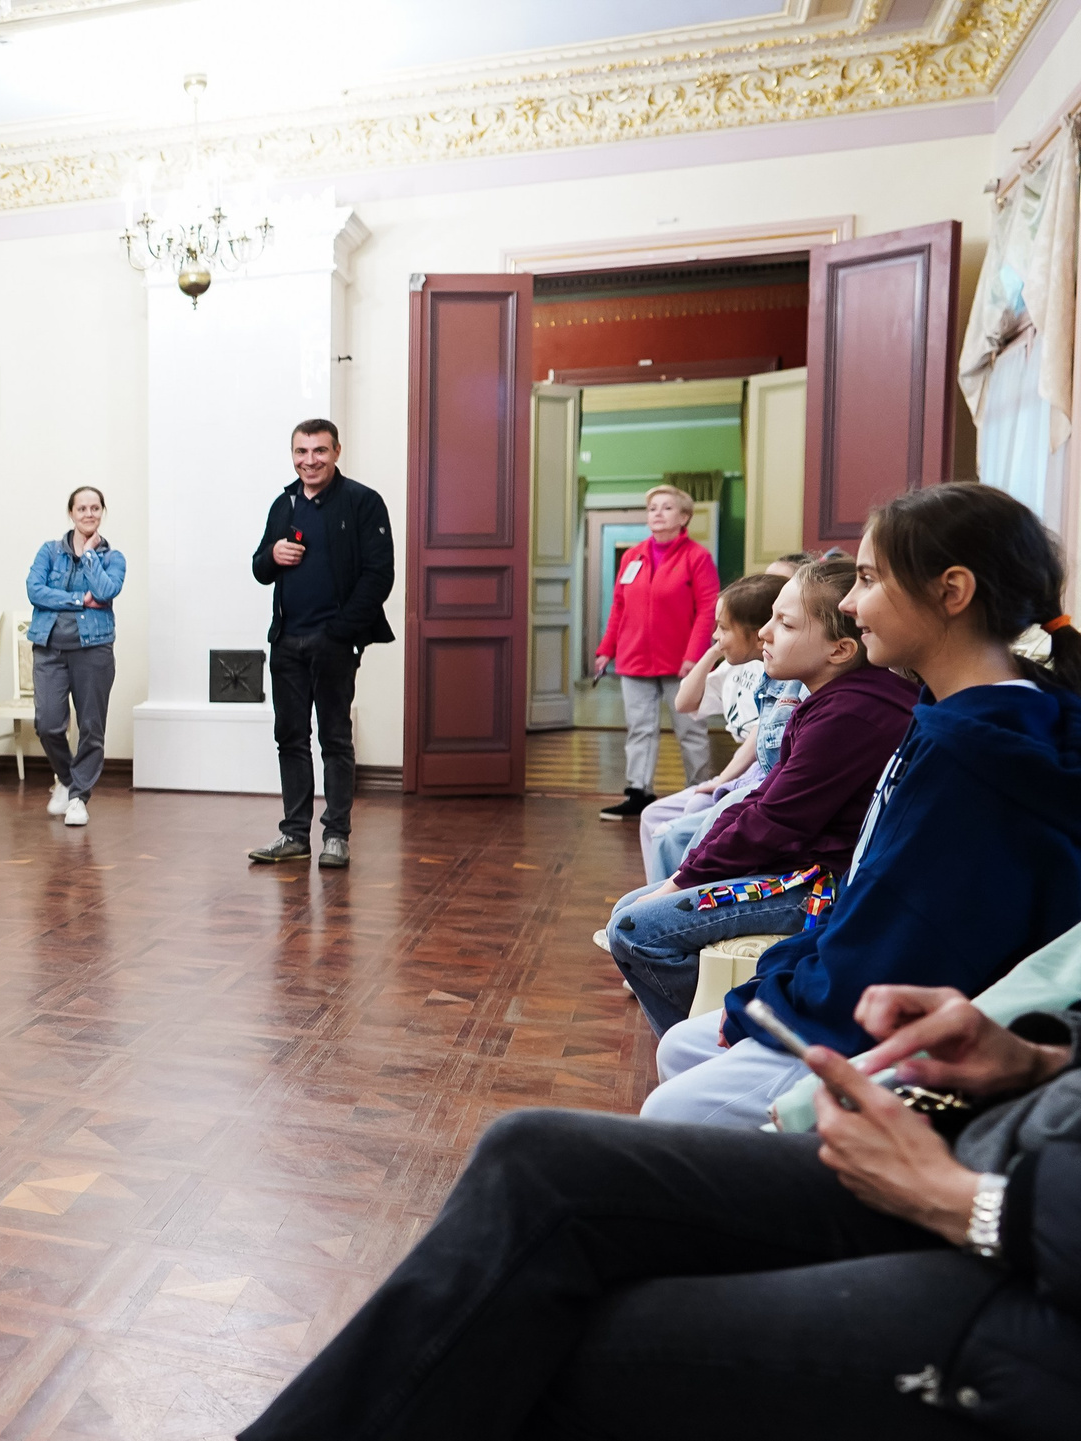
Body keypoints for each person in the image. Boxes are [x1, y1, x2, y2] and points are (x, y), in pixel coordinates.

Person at [237, 980, 1081, 1441]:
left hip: (1038, 1284)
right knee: (536, 1159)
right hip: (1009, 1171)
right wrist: (1039, 1058)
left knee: (553, 1339)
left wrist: (965, 1205)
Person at [641, 482, 1081, 1130]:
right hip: (857, 984)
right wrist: (778, 982)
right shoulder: (972, 712)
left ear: (951, 592)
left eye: (869, 579)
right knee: (682, 1045)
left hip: (886, 1029)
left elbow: (897, 947)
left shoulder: (970, 758)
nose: (850, 601)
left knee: (669, 1111)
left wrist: (774, 998)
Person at [606, 555, 918, 1038]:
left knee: (636, 930)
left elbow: (774, 820)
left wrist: (682, 881)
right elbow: (759, 802)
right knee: (630, 907)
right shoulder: (833, 701)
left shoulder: (852, 714)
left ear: (839, 649)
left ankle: (708, 1044)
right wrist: (686, 875)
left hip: (821, 885)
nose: (764, 633)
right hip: (800, 869)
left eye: (784, 622)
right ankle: (703, 1032)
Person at [246, 419, 395, 869]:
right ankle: (294, 835)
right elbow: (259, 567)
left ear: (336, 452)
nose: (309, 460)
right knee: (290, 738)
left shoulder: (363, 502)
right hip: (287, 641)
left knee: (334, 738)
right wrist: (273, 555)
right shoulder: (284, 503)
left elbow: (378, 576)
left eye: (319, 451)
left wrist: (340, 632)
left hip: (335, 643)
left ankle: (336, 836)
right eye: (301, 452)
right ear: (292, 454)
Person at [637, 561, 809, 885]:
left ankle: (679, 897)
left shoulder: (783, 674)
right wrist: (716, 649)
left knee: (685, 822)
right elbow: (684, 702)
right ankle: (659, 893)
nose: (716, 634)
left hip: (754, 775)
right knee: (653, 816)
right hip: (741, 774)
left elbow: (761, 738)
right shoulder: (736, 668)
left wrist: (721, 779)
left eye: (723, 627)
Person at [594, 484, 722, 820]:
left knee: (691, 730)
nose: (658, 514)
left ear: (684, 517)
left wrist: (694, 656)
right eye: (652, 508)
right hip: (634, 658)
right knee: (639, 729)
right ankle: (638, 792)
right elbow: (619, 606)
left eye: (666, 508)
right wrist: (606, 649)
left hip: (682, 661)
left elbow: (708, 609)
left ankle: (701, 793)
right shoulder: (631, 556)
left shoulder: (698, 557)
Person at [26, 486, 127, 828]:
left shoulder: (113, 559)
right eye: (81, 508)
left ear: (102, 512)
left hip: (94, 649)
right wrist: (77, 600)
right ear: (71, 512)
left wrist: (89, 556)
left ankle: (79, 798)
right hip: (49, 647)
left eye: (95, 508)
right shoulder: (49, 551)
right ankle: (68, 780)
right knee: (48, 723)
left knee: (91, 727)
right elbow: (34, 590)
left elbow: (106, 591)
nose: (88, 513)